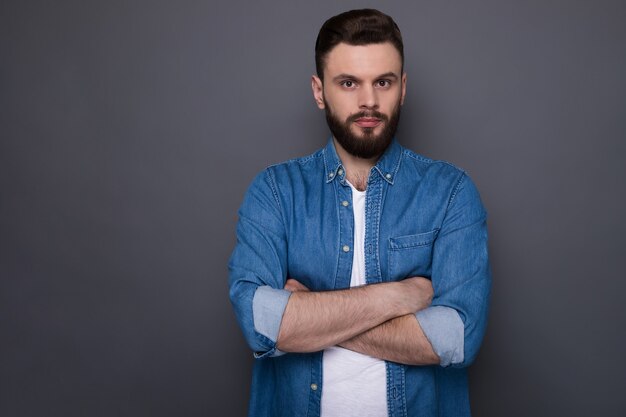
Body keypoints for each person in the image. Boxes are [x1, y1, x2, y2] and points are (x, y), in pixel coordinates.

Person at [228, 8, 491, 417]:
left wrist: (310, 315)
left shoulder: (451, 193)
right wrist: (399, 296)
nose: (368, 101)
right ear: (319, 92)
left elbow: (454, 340)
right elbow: (262, 325)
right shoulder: (275, 192)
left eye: (383, 82)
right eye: (348, 83)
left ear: (402, 88)